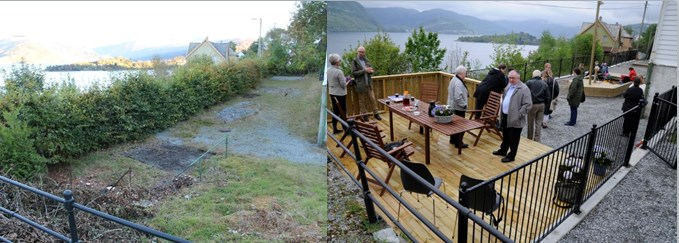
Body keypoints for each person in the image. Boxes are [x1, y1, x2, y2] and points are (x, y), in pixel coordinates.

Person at [492, 70, 532, 163]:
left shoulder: (524, 89)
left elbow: (528, 104)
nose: (511, 79)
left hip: (516, 119)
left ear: (518, 78)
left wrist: (518, 114)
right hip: (506, 116)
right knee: (505, 135)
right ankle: (503, 150)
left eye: (513, 78)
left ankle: (511, 156)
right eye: (509, 77)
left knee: (514, 138)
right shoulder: (508, 86)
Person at [350, 46, 381, 121]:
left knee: (372, 99)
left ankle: (376, 113)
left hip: (368, 84)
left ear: (365, 52)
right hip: (360, 84)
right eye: (360, 52)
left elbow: (370, 69)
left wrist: (371, 71)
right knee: (362, 101)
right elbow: (353, 73)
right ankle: (364, 115)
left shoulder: (366, 60)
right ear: (357, 52)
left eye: (363, 52)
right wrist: (365, 70)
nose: (361, 53)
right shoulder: (354, 61)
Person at [327, 53, 350, 134]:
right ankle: (346, 130)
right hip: (340, 94)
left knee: (335, 111)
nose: (340, 62)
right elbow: (343, 85)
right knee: (343, 111)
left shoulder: (328, 70)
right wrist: (348, 81)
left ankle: (335, 129)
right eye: (339, 60)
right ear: (337, 62)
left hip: (332, 93)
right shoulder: (339, 72)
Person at [447, 65, 469, 148]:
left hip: (452, 106)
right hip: (458, 108)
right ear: (462, 73)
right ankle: (458, 143)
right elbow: (458, 97)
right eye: (465, 73)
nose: (466, 75)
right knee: (460, 126)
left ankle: (453, 140)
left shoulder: (454, 79)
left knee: (454, 125)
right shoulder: (458, 83)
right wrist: (464, 105)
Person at [525, 70, 550, 142]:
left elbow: (524, 92)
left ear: (533, 75)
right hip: (541, 105)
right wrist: (544, 103)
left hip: (532, 105)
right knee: (539, 123)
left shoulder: (529, 82)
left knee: (530, 122)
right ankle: (537, 139)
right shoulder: (544, 83)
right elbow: (548, 96)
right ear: (540, 75)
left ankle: (529, 138)